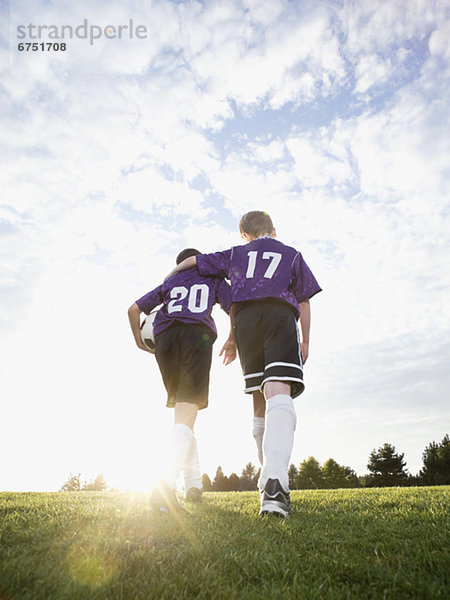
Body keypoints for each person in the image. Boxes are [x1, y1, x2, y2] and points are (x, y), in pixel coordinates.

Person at [166, 212, 321, 518]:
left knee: (259, 401)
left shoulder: (237, 253)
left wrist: (171, 277)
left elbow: (195, 263)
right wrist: (305, 340)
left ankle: (268, 484)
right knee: (279, 392)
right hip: (278, 315)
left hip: (248, 322)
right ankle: (275, 483)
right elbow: (304, 301)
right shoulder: (291, 254)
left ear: (244, 236)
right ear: (273, 231)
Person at [128, 248, 231, 513]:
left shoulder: (169, 282)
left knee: (184, 416)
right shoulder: (213, 279)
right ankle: (164, 487)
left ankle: (193, 485)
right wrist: (234, 337)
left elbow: (134, 309)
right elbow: (236, 308)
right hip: (195, 336)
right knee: (186, 414)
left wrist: (140, 342)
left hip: (164, 341)